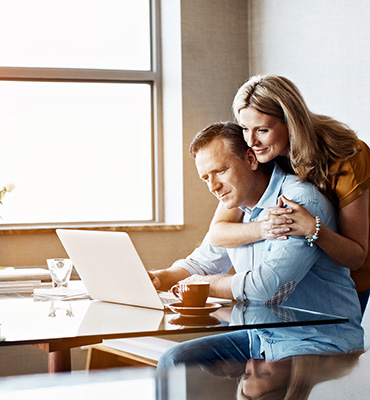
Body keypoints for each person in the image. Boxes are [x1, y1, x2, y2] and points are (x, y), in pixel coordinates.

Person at [149, 121, 362, 327]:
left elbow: (265, 289)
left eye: (221, 171)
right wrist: (159, 278)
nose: (213, 186)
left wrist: (205, 285)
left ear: (251, 160)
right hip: (261, 334)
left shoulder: (295, 203)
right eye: (206, 178)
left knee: (181, 357)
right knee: (176, 357)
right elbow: (201, 264)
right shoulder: (236, 206)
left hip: (314, 337)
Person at [208, 74, 370, 314]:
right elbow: (218, 232)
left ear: (290, 122)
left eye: (262, 130)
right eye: (244, 128)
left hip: (347, 282)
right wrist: (264, 227)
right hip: (294, 284)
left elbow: (356, 256)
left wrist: (312, 229)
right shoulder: (259, 154)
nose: (251, 141)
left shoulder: (347, 155)